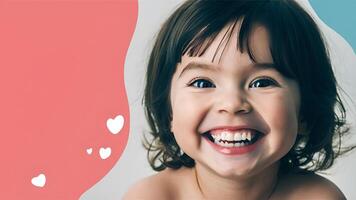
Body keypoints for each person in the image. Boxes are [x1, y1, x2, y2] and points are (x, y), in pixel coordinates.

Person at [124, 0, 355, 199]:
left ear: (305, 111)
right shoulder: (151, 197)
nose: (232, 104)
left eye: (262, 82)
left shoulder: (319, 198)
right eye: (202, 83)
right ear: (169, 112)